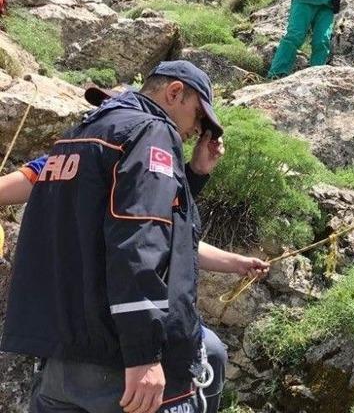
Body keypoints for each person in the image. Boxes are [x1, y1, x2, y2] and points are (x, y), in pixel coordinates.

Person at [1, 61, 266, 413]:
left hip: (60, 359)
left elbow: (138, 222)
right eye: (199, 117)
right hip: (117, 360)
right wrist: (144, 354)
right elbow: (140, 237)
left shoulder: (77, 136)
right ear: (174, 93)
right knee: (212, 354)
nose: (197, 130)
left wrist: (195, 174)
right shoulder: (152, 131)